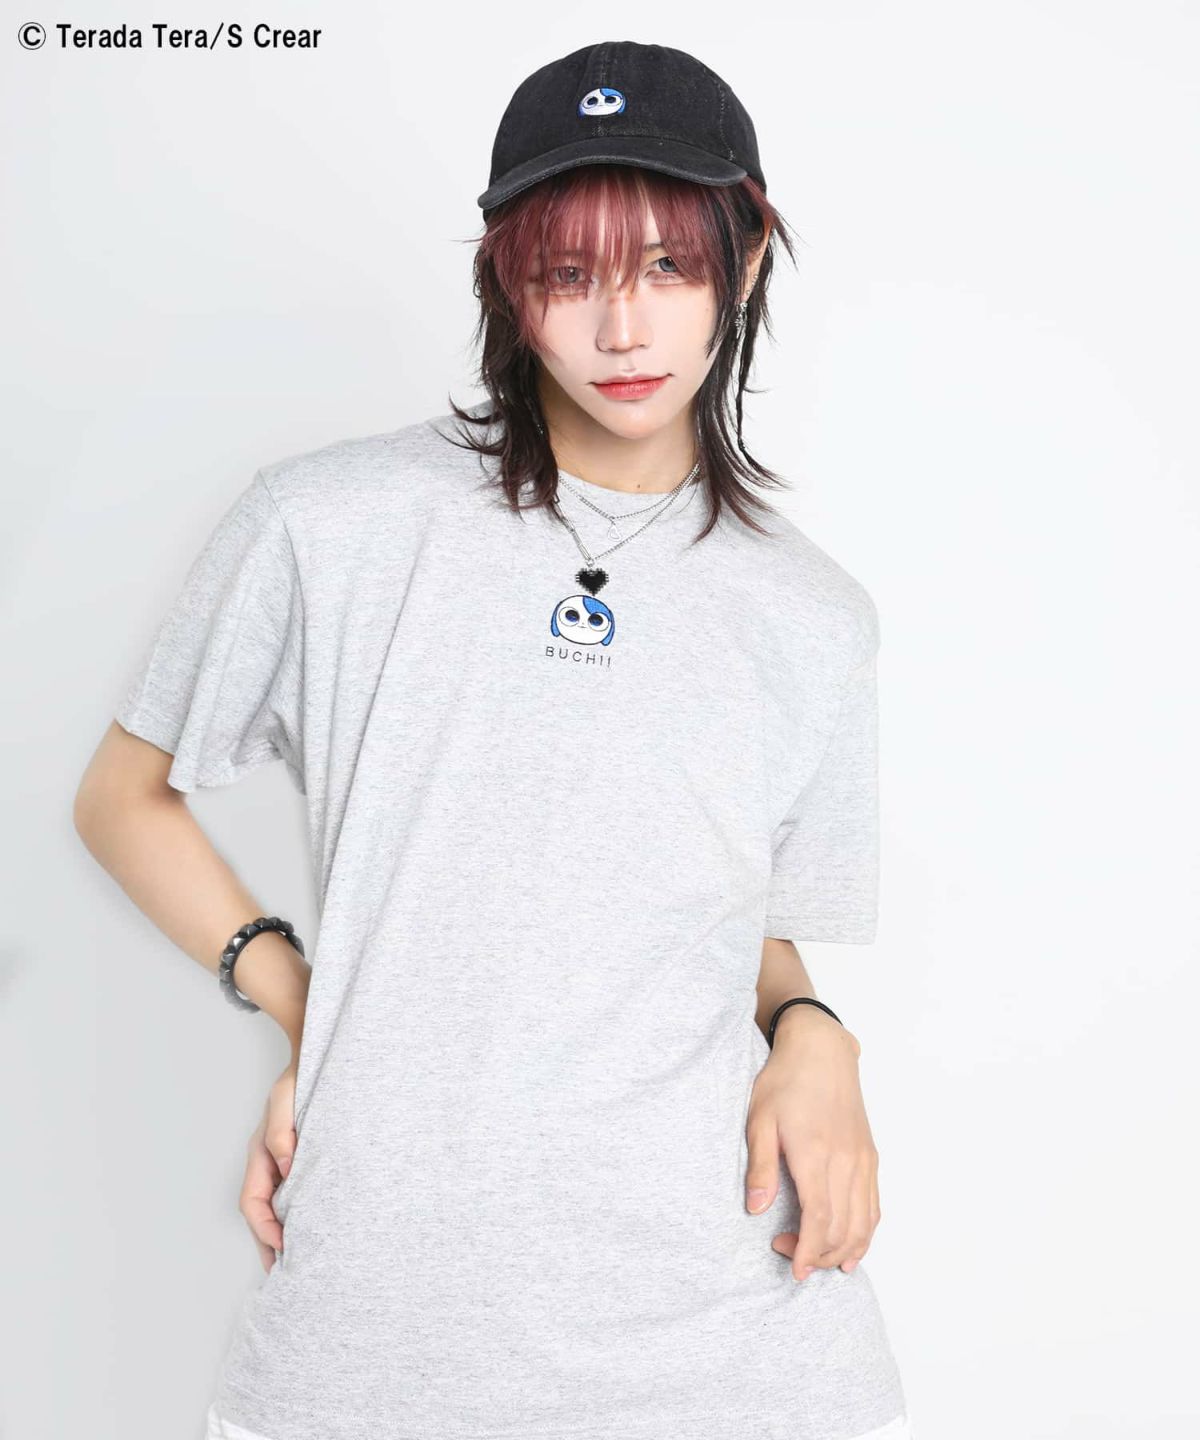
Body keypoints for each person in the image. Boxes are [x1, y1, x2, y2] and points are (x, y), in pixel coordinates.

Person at [75, 40, 914, 1440]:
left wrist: (814, 1032)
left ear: (749, 256)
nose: (624, 331)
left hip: (738, 1343)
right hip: (380, 1334)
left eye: (668, 267)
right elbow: (123, 797)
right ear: (506, 284)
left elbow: (718, 906)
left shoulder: (813, 615)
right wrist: (313, 1012)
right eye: (569, 276)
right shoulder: (331, 523)